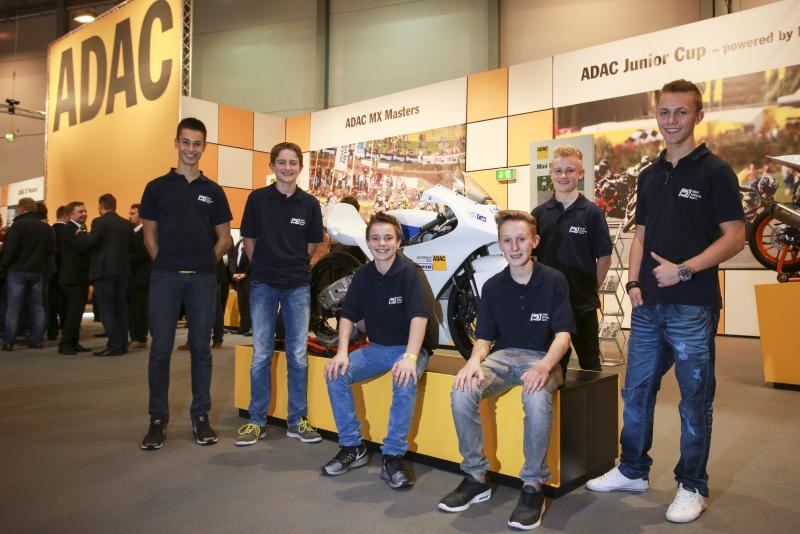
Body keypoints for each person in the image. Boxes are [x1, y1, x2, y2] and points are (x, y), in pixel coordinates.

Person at [585, 79, 745, 524]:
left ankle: (692, 485)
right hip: (648, 307)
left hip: (692, 305)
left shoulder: (716, 172)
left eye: (681, 112)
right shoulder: (650, 174)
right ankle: (633, 470)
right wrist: (633, 282)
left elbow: (735, 237)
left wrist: (684, 270)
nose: (671, 121)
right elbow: (640, 235)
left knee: (694, 399)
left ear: (698, 116)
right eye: (665, 112)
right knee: (636, 391)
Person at [439, 210, 574, 531]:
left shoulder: (554, 280)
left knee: (536, 398)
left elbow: (563, 337)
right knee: (461, 390)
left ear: (534, 241)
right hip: (502, 358)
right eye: (507, 240)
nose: (514, 247)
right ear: (499, 244)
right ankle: (475, 477)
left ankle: (533, 486)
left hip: (543, 358)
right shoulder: (493, 287)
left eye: (521, 239)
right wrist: (474, 361)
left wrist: (544, 366)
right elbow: (484, 338)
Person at [322, 212, 437, 489]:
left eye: (388, 238)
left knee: (404, 378)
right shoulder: (363, 275)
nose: (381, 243)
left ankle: (393, 456)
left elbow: (419, 318)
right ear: (368, 242)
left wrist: (410, 358)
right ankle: (352, 446)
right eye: (375, 238)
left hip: (411, 348)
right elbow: (348, 315)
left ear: (398, 242)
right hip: (378, 348)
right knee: (336, 373)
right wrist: (342, 352)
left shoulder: (409, 273)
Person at [139, 117, 233, 450]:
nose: (191, 149)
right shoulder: (156, 187)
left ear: (204, 147)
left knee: (201, 351)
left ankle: (200, 417)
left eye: (197, 144)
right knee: (160, 351)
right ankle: (157, 420)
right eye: (186, 142)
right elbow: (149, 235)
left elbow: (225, 238)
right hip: (165, 278)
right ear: (176, 143)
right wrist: (165, 263)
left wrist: (206, 262)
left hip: (203, 281)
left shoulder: (213, 191)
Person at [235, 142, 324, 445]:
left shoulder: (309, 204)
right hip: (263, 284)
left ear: (300, 167)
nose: (288, 168)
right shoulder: (257, 199)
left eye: (293, 163)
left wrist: (291, 265)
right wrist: (264, 267)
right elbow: (249, 241)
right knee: (261, 355)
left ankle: (297, 421)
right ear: (272, 166)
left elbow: (312, 247)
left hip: (297, 286)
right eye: (282, 162)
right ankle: (256, 421)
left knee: (298, 356)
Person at [532, 145, 612, 371]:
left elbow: (605, 258)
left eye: (570, 170)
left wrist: (591, 288)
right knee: (552, 368)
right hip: (549, 304)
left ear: (581, 173)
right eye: (558, 171)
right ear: (551, 173)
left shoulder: (592, 213)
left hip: (582, 305)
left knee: (590, 364)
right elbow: (532, 259)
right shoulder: (538, 214)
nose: (563, 176)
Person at [1, 197, 55, 351]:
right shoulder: (45, 227)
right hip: (38, 272)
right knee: (38, 307)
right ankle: (37, 340)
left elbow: (10, 249)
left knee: (13, 307)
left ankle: (9, 341)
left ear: (21, 209)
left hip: (18, 271)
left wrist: (4, 264)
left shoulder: (17, 226)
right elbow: (51, 249)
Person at [85, 194, 135, 357]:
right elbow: (132, 247)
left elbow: (90, 242)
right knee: (121, 308)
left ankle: (114, 345)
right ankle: (122, 344)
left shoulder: (99, 222)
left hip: (104, 271)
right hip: (123, 271)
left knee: (107, 310)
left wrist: (81, 235)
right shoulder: (126, 224)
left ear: (101, 206)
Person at [57, 202, 92, 355]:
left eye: (85, 211)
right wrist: (84, 237)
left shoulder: (80, 228)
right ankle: (65, 344)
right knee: (73, 312)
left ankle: (73, 342)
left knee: (77, 312)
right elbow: (82, 247)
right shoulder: (70, 229)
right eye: (80, 212)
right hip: (72, 277)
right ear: (71, 215)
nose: (84, 214)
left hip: (79, 277)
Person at [128, 203, 150, 349]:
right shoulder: (132, 231)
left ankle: (140, 337)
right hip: (133, 275)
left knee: (140, 308)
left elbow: (142, 255)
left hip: (141, 276)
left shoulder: (145, 232)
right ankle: (135, 336)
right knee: (133, 308)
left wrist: (123, 257)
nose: (129, 216)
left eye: (133, 213)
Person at [229, 237, 251, 336]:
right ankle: (243, 327)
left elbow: (253, 260)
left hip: (249, 277)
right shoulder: (239, 243)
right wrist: (233, 273)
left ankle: (251, 328)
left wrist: (245, 274)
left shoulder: (253, 242)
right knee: (242, 303)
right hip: (238, 277)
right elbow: (232, 259)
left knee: (250, 303)